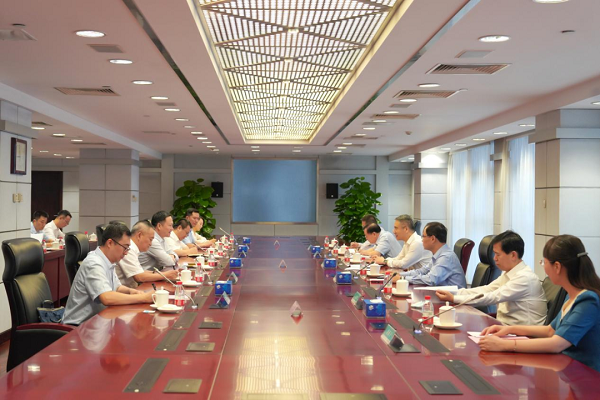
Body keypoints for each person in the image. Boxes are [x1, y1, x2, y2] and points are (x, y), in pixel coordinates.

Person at [478, 235, 600, 373]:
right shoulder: (571, 295)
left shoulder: (587, 300)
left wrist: (504, 345)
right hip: (567, 369)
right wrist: (509, 329)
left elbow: (557, 344)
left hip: (587, 376)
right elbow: (550, 330)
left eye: (544, 262)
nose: (543, 267)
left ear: (557, 266)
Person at [436, 230, 547, 326]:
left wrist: (454, 298)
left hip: (524, 336)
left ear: (513, 255)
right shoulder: (508, 273)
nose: (494, 258)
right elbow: (486, 289)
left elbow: (493, 297)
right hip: (505, 328)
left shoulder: (525, 278)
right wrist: (454, 293)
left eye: (498, 254)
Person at [63, 222, 153, 325]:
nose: (126, 252)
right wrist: (143, 298)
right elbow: (106, 297)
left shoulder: (108, 260)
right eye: (125, 247)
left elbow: (117, 287)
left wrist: (131, 291)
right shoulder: (94, 263)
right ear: (110, 243)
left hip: (99, 321)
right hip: (79, 326)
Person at [395, 222, 466, 288]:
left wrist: (402, 278)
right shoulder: (439, 254)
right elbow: (422, 271)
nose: (422, 240)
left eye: (423, 236)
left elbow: (431, 279)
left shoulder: (446, 257)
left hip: (453, 296)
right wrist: (398, 275)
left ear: (432, 239)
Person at [115, 220, 179, 288]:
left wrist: (163, 274)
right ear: (139, 235)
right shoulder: (129, 249)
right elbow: (139, 277)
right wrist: (166, 275)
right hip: (124, 292)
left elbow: (140, 271)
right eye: (150, 239)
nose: (150, 244)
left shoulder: (133, 248)